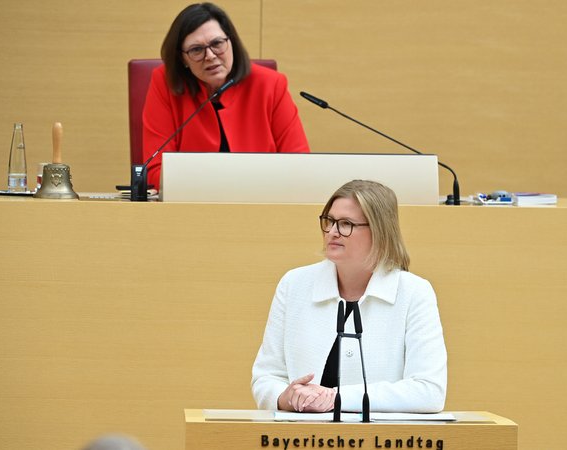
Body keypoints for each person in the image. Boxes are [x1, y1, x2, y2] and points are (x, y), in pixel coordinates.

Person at [251, 180, 447, 413]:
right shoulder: (294, 284)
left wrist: (335, 398)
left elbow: (429, 391)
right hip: (298, 439)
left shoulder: (414, 292)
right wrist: (286, 397)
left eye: (346, 224)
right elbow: (266, 377)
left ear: (379, 230)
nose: (333, 232)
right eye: (329, 221)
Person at [142, 2, 310, 189]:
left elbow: (300, 166)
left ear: (231, 42)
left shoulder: (270, 85)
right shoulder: (165, 83)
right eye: (196, 49)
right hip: (191, 208)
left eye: (217, 44)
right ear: (183, 59)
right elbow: (155, 170)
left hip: (259, 203)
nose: (211, 56)